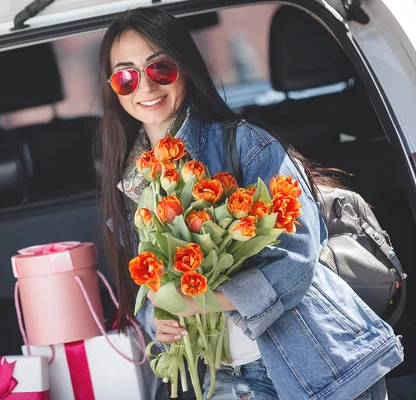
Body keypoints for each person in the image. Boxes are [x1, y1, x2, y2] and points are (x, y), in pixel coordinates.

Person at [97, 7, 403, 400]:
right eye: (126, 76)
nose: (145, 87)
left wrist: (201, 300)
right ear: (114, 87)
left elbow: (296, 262)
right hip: (228, 380)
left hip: (323, 362)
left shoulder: (247, 144)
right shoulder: (131, 184)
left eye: (160, 69)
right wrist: (160, 318)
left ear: (185, 68)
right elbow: (151, 293)